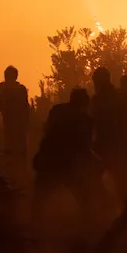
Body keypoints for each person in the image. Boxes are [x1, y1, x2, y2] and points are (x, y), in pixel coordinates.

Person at [31, 88, 107, 226]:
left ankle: (33, 226)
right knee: (84, 198)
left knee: (40, 198)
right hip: (69, 164)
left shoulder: (57, 111)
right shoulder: (86, 120)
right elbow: (84, 146)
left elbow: (47, 131)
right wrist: (96, 161)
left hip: (50, 158)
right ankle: (92, 227)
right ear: (84, 103)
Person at [90, 67, 127, 202]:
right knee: (122, 182)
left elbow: (95, 121)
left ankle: (113, 206)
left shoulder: (99, 99)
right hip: (117, 143)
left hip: (108, 144)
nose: (94, 83)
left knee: (93, 178)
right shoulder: (120, 95)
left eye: (96, 80)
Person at [0, 66, 30, 159]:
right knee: (13, 147)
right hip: (14, 122)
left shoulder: (3, 89)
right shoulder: (16, 89)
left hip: (16, 123)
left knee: (14, 147)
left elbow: (25, 106)